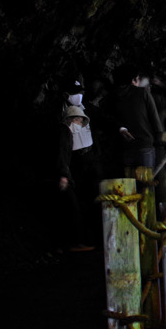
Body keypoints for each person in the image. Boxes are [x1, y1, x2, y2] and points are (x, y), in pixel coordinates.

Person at [57, 106, 98, 252]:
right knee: (73, 209)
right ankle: (74, 242)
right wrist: (63, 175)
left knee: (70, 208)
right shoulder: (64, 132)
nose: (80, 125)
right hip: (63, 176)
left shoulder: (65, 132)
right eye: (78, 121)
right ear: (71, 119)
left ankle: (70, 243)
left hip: (65, 175)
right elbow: (62, 154)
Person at [114, 65, 164, 171]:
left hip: (124, 147)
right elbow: (154, 118)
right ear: (133, 80)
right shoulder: (142, 92)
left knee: (128, 185)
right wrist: (159, 139)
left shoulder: (113, 96)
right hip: (144, 144)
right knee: (146, 184)